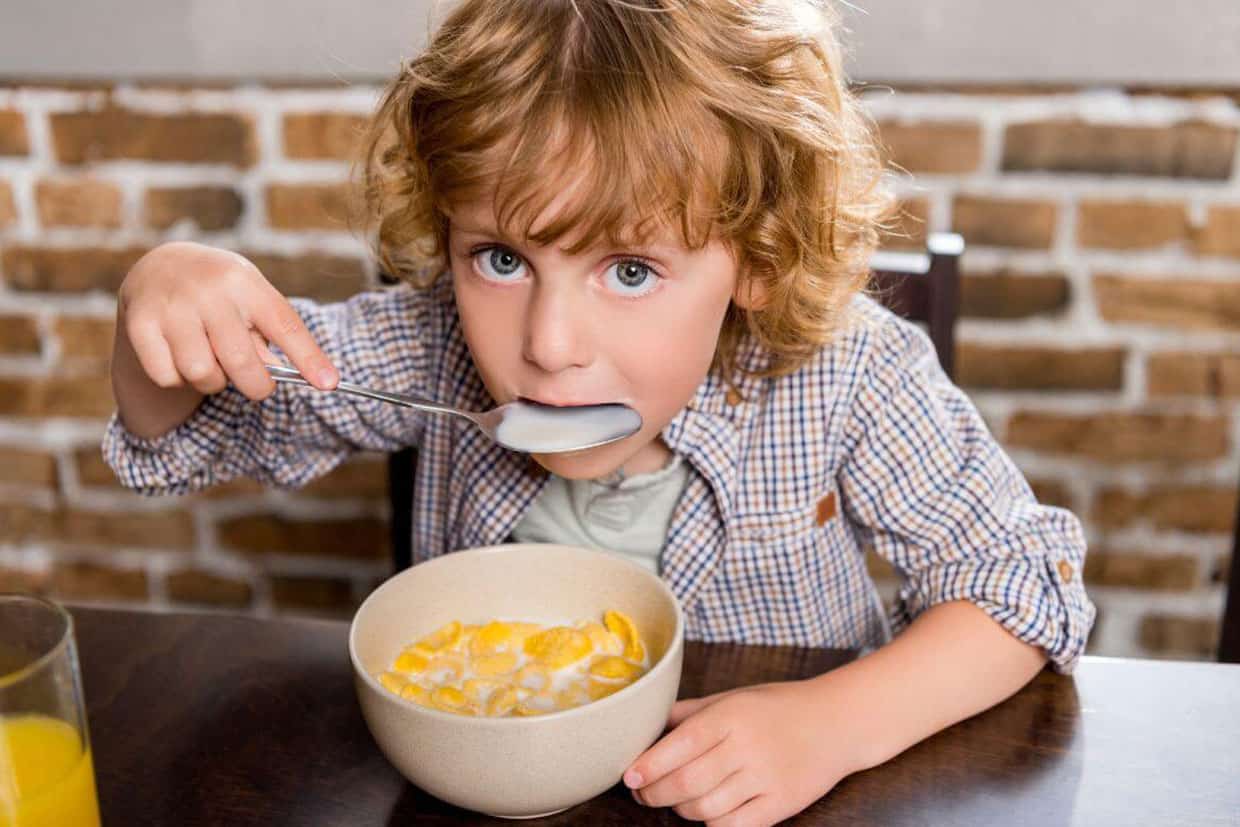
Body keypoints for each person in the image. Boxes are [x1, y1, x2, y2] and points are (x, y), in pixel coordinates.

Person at [104, 1, 1096, 824]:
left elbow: (1022, 585)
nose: (548, 341)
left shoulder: (846, 375)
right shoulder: (431, 345)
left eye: (628, 269)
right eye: (500, 259)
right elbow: (193, 429)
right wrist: (164, 300)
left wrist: (832, 723)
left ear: (754, 253)